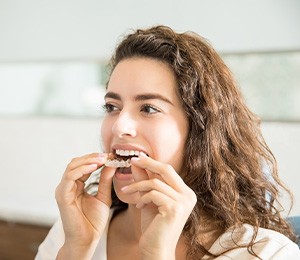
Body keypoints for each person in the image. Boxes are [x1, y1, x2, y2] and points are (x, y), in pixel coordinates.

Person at [35, 25, 300, 259]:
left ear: (200, 129)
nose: (119, 125)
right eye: (112, 107)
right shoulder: (73, 230)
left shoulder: (266, 252)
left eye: (148, 108)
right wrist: (76, 249)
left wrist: (157, 255)